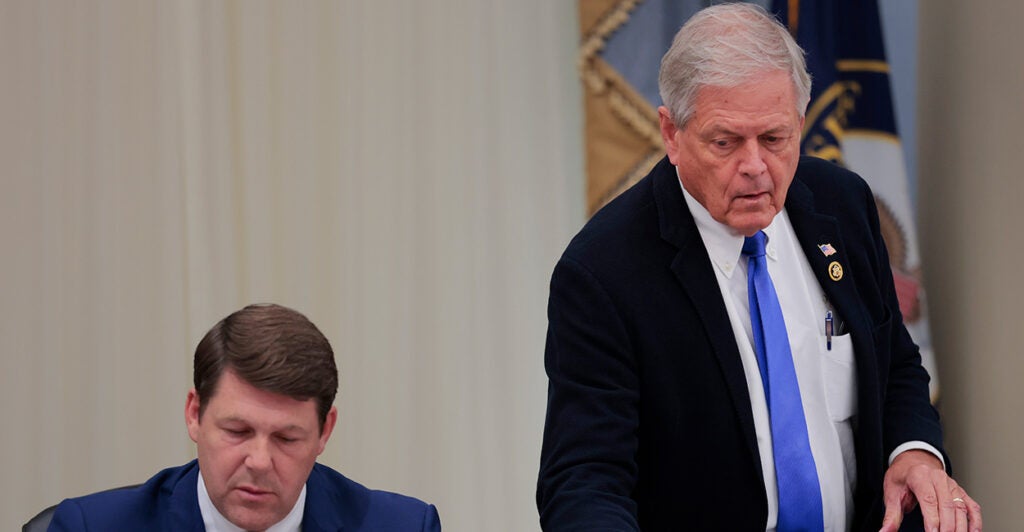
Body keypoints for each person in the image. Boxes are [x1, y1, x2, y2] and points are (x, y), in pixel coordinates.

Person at [537, 4, 980, 531]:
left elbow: (896, 366)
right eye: (724, 142)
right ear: (672, 134)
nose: (755, 167)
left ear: (800, 121)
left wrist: (914, 451)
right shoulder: (604, 274)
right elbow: (585, 479)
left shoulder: (842, 205)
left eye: (774, 139)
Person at [49, 303, 441, 531]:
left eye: (286, 439)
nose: (259, 462)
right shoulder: (92, 527)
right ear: (195, 414)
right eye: (238, 431)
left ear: (325, 432)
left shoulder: (403, 526)